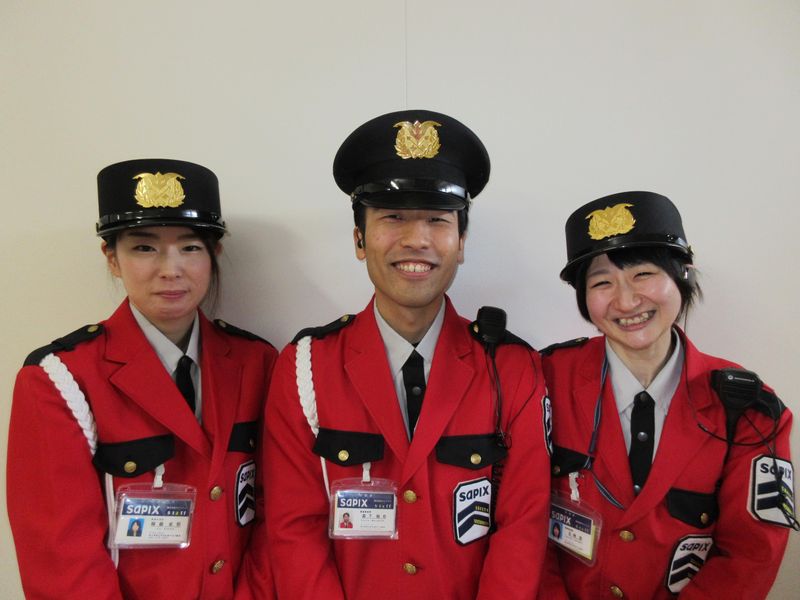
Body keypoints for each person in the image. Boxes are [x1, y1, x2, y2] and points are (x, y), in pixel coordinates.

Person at [258, 110, 551, 599]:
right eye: (393, 217)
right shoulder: (305, 366)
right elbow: (293, 528)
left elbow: (522, 525)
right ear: (359, 239)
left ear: (461, 243)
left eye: (437, 219)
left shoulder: (510, 368)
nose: (416, 240)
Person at [7, 159, 277, 599]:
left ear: (214, 255)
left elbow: (274, 513)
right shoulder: (60, 380)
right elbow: (61, 559)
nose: (170, 269)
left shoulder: (257, 363)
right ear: (112, 258)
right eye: (144, 248)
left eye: (190, 247)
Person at [539, 191, 794, 599]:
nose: (626, 300)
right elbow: (520, 520)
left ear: (683, 276)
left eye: (643, 274)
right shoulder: (543, 380)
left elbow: (750, 556)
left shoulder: (749, 410)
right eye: (602, 282)